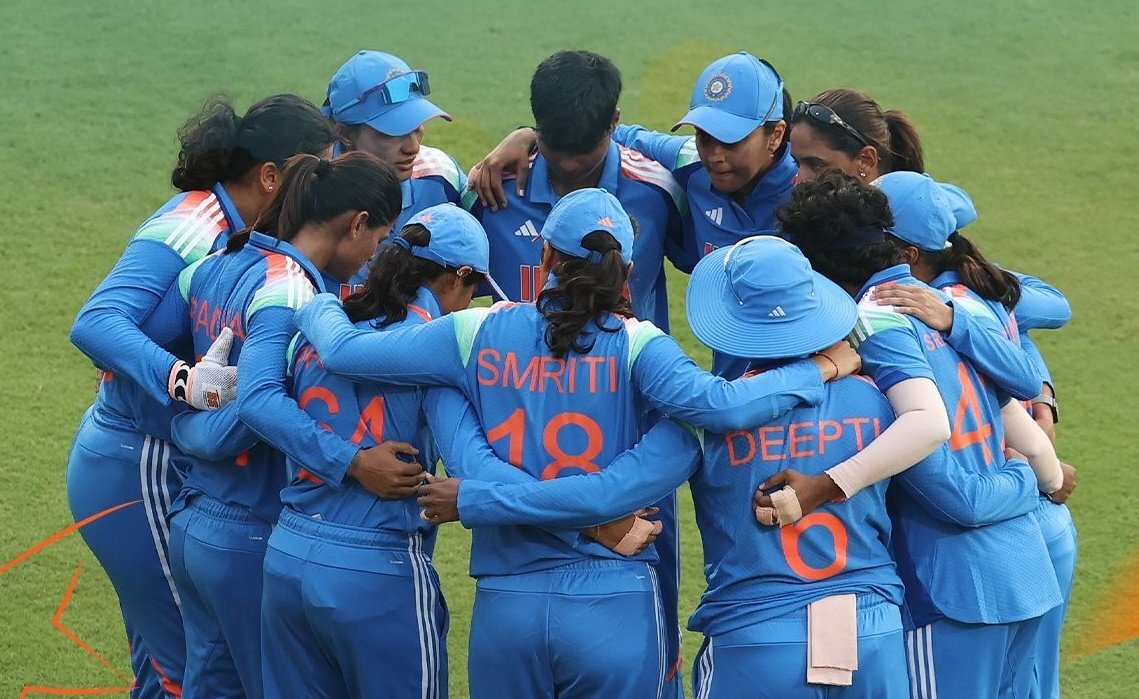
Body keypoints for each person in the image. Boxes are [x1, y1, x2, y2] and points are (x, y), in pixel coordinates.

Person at [294, 188, 860, 698]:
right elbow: (719, 409)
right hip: (611, 606)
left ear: (544, 259)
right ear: (628, 271)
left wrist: (315, 298)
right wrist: (823, 368)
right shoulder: (641, 346)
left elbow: (347, 354)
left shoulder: (475, 330)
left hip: (505, 609)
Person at [66, 94, 334, 698]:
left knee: (168, 666)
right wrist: (181, 380)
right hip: (140, 460)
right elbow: (97, 320)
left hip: (138, 451)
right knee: (189, 670)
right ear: (271, 176)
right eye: (316, 169)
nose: (323, 186)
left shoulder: (241, 229)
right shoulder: (195, 223)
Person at [782, 171, 1065, 699]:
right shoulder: (940, 306)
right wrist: (1042, 475)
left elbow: (954, 486)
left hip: (954, 593)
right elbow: (1014, 398)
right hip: (1024, 574)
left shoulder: (873, 323)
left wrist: (826, 484)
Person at [141, 152, 411, 697]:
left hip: (192, 526)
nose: (371, 261)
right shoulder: (294, 294)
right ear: (356, 223)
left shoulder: (221, 259)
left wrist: (185, 424)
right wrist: (353, 462)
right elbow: (261, 403)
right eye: (378, 241)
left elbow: (142, 347)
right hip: (247, 532)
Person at [866, 171, 1077, 699]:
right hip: (1030, 550)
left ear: (909, 254)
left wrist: (1033, 476)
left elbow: (957, 493)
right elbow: (1027, 375)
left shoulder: (899, 317)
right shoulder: (983, 297)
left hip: (962, 569)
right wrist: (1045, 471)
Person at [468, 50, 794, 378]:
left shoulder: (661, 190)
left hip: (639, 399)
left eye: (731, 140)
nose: (715, 153)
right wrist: (529, 134)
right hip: (522, 395)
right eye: (704, 137)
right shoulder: (491, 192)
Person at [324, 50, 467, 298]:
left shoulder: (440, 177)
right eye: (393, 132)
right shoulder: (306, 187)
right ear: (345, 134)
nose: (413, 147)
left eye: (417, 126)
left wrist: (528, 137)